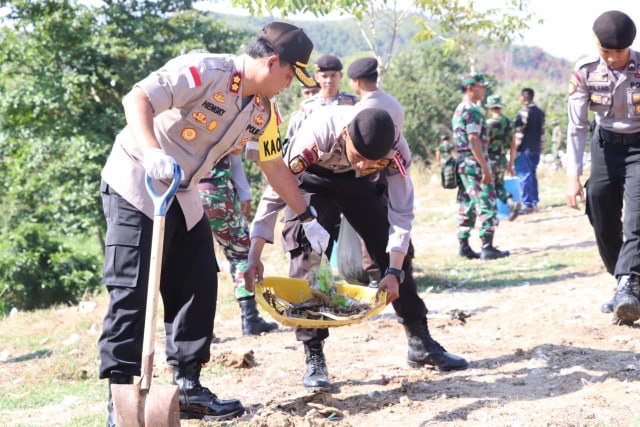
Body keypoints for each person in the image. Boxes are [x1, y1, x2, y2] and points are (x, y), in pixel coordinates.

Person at [98, 21, 331, 425]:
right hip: (138, 178)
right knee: (132, 288)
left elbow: (273, 165)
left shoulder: (263, 111)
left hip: (183, 191)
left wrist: (307, 215)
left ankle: (187, 386)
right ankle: (121, 395)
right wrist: (153, 152)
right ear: (273, 62)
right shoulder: (206, 70)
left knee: (198, 282)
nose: (291, 85)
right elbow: (136, 97)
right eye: (291, 74)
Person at [246, 106, 469, 391]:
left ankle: (419, 341)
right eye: (359, 157)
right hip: (310, 182)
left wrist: (393, 270)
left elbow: (401, 213)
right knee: (306, 254)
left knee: (395, 255)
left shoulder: (395, 150)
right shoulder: (315, 137)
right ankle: (314, 355)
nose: (363, 164)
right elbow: (274, 192)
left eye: (372, 161)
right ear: (344, 136)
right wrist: (255, 253)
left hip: (360, 188)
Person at [566, 10, 640, 326]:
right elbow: (576, 127)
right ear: (596, 44)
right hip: (604, 146)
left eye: (618, 52)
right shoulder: (584, 72)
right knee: (599, 210)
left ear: (630, 46)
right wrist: (573, 177)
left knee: (636, 216)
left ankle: (628, 283)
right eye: (605, 51)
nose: (611, 58)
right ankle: (623, 282)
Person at [198, 153, 278, 336]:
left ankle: (200, 330)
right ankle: (250, 319)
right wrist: (244, 194)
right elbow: (235, 159)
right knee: (240, 252)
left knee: (195, 258)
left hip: (186, 193)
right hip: (217, 192)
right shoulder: (223, 124)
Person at [452, 73, 509, 260]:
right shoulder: (473, 110)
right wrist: (485, 167)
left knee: (466, 203)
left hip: (462, 162)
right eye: (481, 86)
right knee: (487, 202)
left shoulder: (459, 109)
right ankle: (487, 246)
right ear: (471, 88)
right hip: (473, 162)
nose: (484, 89)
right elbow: (473, 139)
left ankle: (464, 246)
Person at [285, 54, 359, 143]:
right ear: (317, 77)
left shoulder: (352, 102)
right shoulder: (308, 106)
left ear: (340, 76)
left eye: (333, 75)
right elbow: (294, 137)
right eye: (324, 76)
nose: (329, 80)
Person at [485, 94, 521, 221]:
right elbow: (513, 145)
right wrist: (510, 164)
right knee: (499, 185)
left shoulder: (488, 124)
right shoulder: (509, 123)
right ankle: (511, 202)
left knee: (487, 186)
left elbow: (486, 143)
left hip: (490, 159)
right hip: (501, 158)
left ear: (490, 108)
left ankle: (489, 215)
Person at [513, 88, 545, 214]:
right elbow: (542, 133)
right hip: (535, 148)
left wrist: (514, 150)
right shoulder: (540, 112)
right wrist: (540, 147)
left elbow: (519, 134)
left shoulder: (523, 113)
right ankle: (534, 201)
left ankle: (527, 204)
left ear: (523, 97)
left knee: (524, 176)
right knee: (532, 175)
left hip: (524, 149)